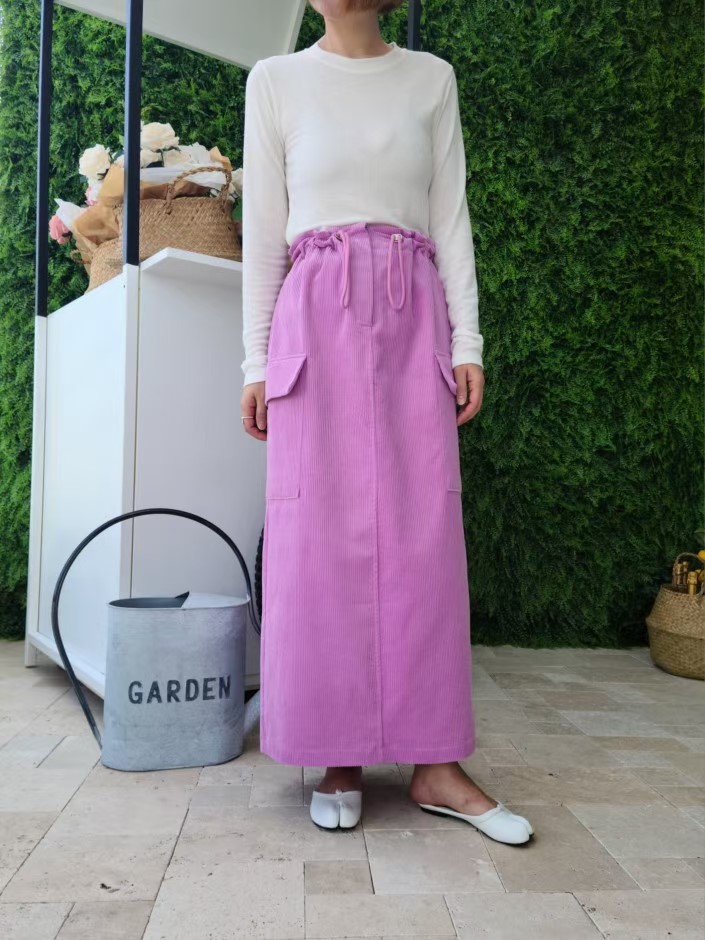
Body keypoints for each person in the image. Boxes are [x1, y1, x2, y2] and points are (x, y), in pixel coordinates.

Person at [240, 0, 534, 845]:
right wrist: (255, 362)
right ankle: (336, 754)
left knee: (421, 535)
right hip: (314, 314)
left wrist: (468, 341)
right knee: (317, 537)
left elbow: (450, 217)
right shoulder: (276, 80)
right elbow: (263, 231)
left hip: (413, 311)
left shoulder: (430, 78)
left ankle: (435, 763)